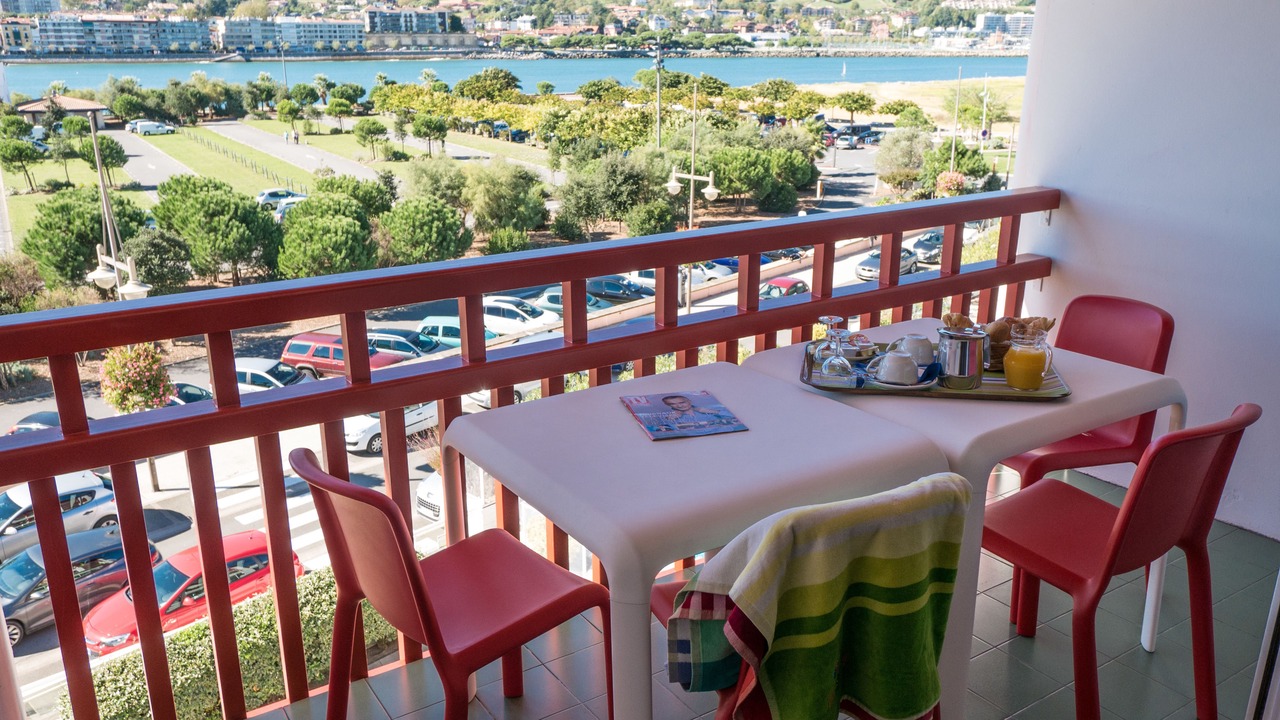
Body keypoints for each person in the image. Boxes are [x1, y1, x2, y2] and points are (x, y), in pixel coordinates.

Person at [661, 395, 729, 426]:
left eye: (682, 402)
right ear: (669, 405)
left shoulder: (711, 408)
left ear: (690, 401)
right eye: (673, 404)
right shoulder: (669, 417)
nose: (679, 406)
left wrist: (713, 411)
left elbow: (734, 418)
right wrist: (670, 420)